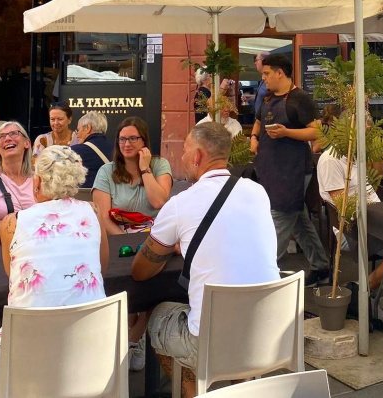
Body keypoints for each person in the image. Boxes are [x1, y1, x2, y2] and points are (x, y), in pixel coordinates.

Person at [133, 123, 279, 398]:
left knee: (157, 313)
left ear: (198, 156)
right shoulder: (258, 192)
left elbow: (140, 271)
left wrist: (171, 248)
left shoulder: (180, 204)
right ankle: (241, 385)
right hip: (270, 334)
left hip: (211, 343)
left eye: (185, 150)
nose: (183, 158)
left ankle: (194, 394)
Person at [0, 145, 108, 377]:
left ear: (37, 182)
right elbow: (100, 268)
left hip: (26, 352)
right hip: (90, 347)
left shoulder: (13, 223)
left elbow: (14, 278)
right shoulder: (93, 212)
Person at [92, 116, 172, 371]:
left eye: (133, 139)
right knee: (126, 289)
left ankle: (133, 341)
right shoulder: (107, 171)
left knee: (152, 286)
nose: (126, 144)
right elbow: (102, 217)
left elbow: (160, 202)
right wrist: (126, 241)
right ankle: (132, 339)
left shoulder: (160, 165)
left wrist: (146, 169)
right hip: (118, 240)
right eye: (123, 139)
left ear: (144, 141)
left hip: (154, 240)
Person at [250, 54, 330, 288]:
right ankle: (321, 268)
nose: (263, 78)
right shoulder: (266, 98)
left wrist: (287, 133)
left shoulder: (300, 99)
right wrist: (254, 137)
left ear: (280, 73)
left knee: (281, 217)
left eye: (266, 74)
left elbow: (316, 132)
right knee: (299, 220)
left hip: (293, 171)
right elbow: (258, 121)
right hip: (270, 168)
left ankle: (261, 276)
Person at [317, 139, 383, 321]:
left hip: (375, 219)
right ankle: (361, 291)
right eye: (368, 133)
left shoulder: (356, 155)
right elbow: (344, 207)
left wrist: (374, 152)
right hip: (352, 228)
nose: (371, 136)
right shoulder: (331, 160)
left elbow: (379, 174)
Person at [70, 111, 114, 189]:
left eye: (78, 130)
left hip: (86, 199)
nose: (77, 135)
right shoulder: (116, 149)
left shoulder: (74, 152)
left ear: (88, 128)